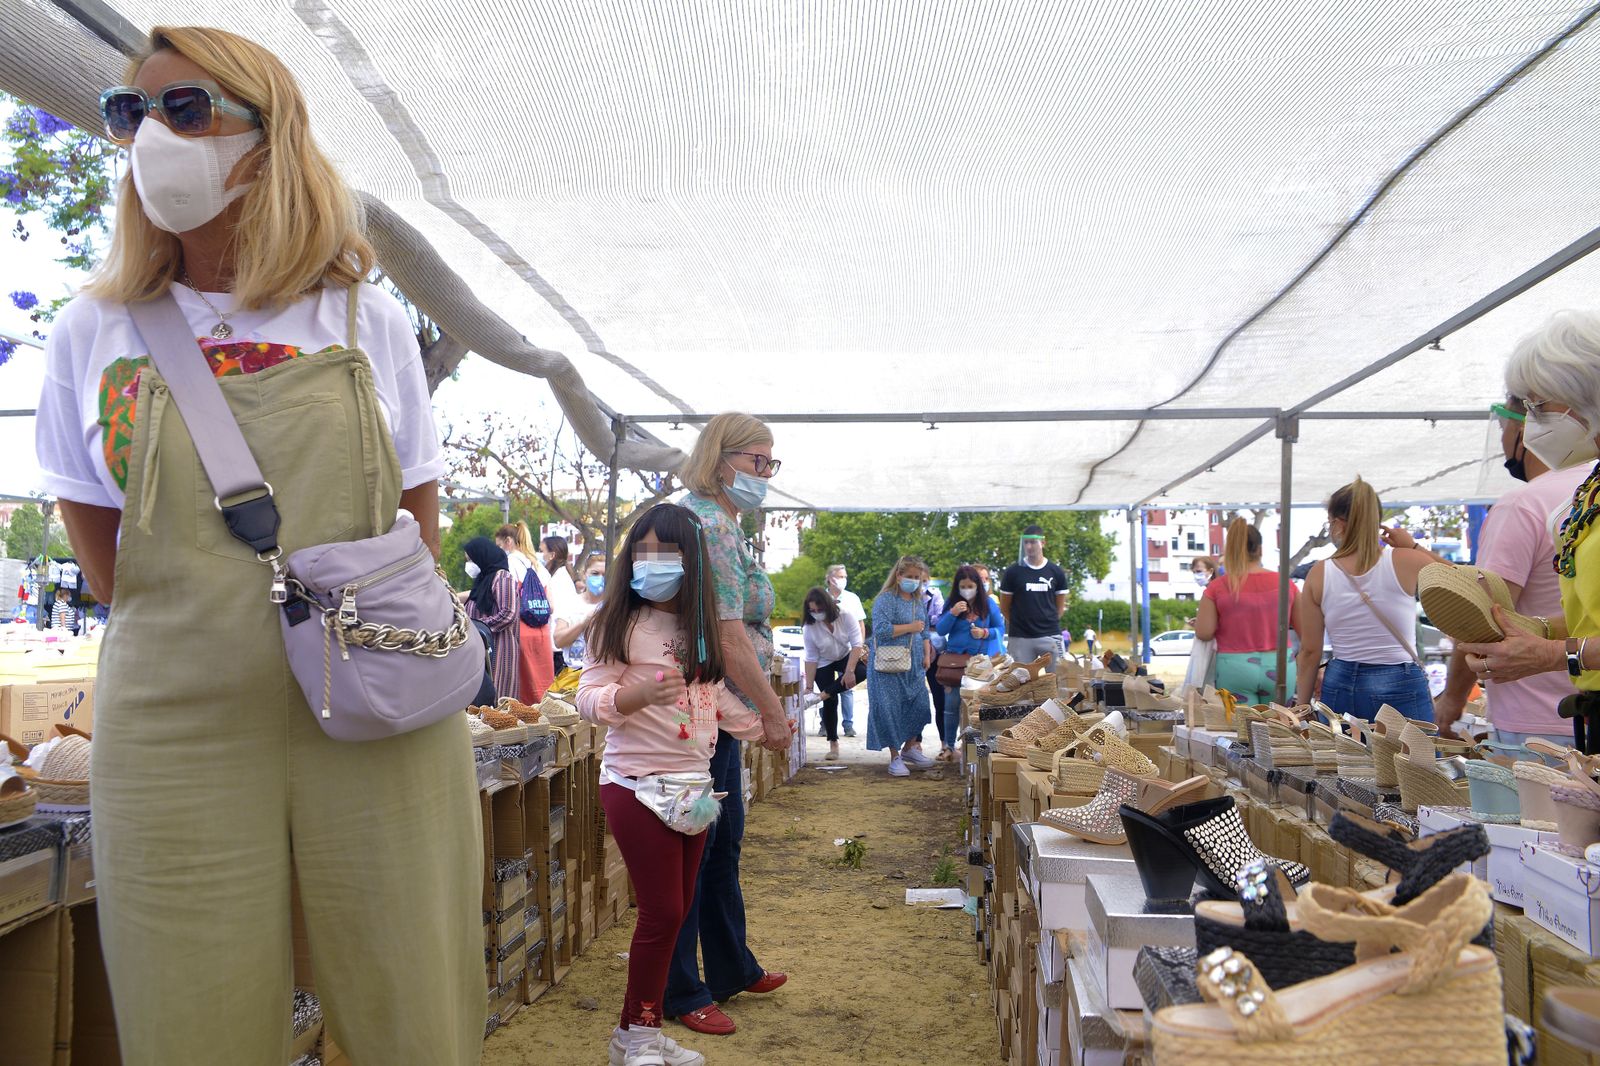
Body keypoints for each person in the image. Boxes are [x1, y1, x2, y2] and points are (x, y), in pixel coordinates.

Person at [37, 27, 482, 1062]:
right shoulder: (89, 329)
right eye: (128, 113)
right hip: (173, 722)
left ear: (266, 134)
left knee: (415, 999)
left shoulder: (363, 320)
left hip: (376, 701)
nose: (150, 135)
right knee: (184, 1010)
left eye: (183, 109)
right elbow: (107, 569)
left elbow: (412, 532)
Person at [577, 502, 770, 1066]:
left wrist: (762, 725)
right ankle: (636, 1037)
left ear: (693, 562)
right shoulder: (616, 623)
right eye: (644, 551)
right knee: (662, 913)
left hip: (696, 789)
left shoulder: (698, 628)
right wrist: (632, 697)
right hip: (636, 786)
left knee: (679, 909)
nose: (653, 562)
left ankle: (638, 1029)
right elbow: (588, 697)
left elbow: (711, 697)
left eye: (668, 552)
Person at [665, 413, 790, 1037]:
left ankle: (729, 965)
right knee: (700, 841)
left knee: (722, 838)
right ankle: (682, 988)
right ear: (720, 461)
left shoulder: (723, 522)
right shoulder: (709, 523)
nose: (765, 475)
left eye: (772, 464)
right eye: (756, 462)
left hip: (716, 710)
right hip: (702, 710)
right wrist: (770, 710)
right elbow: (730, 634)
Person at [1453, 314, 1600, 745]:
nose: (1529, 421)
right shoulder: (1588, 487)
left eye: (1539, 405)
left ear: (1584, 398)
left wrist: (1554, 653)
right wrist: (1539, 630)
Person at [1433, 400, 1584, 749]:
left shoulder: (1523, 504)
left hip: (1536, 721)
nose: (1502, 440)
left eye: (1503, 429)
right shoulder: (1588, 492)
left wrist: (1452, 700)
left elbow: (1479, 618)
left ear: (1525, 428)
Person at [1293, 478, 1438, 720]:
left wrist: (1303, 706)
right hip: (1400, 679)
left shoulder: (1318, 574)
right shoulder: (1409, 561)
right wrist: (1415, 547)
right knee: (1414, 757)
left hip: (1341, 679)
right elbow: (1466, 583)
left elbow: (1309, 651)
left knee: (1344, 758)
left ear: (1338, 524)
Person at [1194, 518, 1299, 705]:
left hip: (1234, 668)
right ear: (1259, 549)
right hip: (1280, 666)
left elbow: (1204, 632)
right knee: (1278, 729)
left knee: (1240, 730)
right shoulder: (1285, 584)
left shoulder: (1217, 587)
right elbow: (1305, 629)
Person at [867, 555, 937, 776]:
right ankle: (894, 756)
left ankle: (910, 747)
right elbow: (881, 630)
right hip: (887, 665)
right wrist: (910, 627)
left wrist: (926, 655)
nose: (914, 581)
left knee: (919, 706)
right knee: (890, 709)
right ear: (898, 576)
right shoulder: (886, 599)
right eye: (910, 577)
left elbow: (924, 631)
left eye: (918, 577)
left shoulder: (918, 602)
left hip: (914, 665)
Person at [935, 565, 1005, 760]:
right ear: (957, 586)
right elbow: (940, 629)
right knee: (951, 706)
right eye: (963, 586)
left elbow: (1000, 628)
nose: (967, 589)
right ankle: (949, 746)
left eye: (970, 585)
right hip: (954, 664)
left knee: (978, 707)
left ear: (978, 586)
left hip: (979, 665)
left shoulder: (988, 604)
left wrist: (984, 632)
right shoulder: (952, 603)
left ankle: (977, 751)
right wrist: (953, 613)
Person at [802, 587, 864, 762]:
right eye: (812, 611)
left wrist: (850, 670)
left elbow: (857, 643)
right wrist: (808, 686)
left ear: (828, 606)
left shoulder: (845, 615)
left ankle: (822, 695)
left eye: (819, 610)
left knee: (862, 671)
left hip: (845, 654)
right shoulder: (809, 627)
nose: (816, 614)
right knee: (831, 702)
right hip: (823, 661)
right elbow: (811, 657)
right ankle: (833, 743)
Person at [498, 521, 556, 702]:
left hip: (520, 632)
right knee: (543, 691)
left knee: (524, 697)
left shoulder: (509, 563)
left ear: (508, 541)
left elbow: (507, 601)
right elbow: (551, 606)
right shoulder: (538, 566)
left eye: (499, 545)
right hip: (543, 634)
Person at [998, 525, 1069, 667]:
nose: (1029, 546)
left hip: (1050, 635)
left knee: (1058, 680)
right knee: (1019, 682)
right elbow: (1005, 607)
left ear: (1043, 543)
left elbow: (1059, 608)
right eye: (1026, 542)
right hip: (1020, 637)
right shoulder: (1013, 572)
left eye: (1033, 542)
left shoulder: (1056, 572)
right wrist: (1020, 624)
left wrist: (1046, 623)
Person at [465, 536, 521, 702]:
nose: (468, 564)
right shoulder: (483, 580)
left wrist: (480, 628)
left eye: (471, 559)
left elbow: (508, 613)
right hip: (482, 649)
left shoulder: (502, 577)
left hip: (499, 649)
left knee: (499, 700)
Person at [825, 564, 866, 738]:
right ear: (829, 578)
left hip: (848, 649)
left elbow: (860, 623)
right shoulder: (822, 597)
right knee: (826, 689)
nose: (843, 580)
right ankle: (826, 725)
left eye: (845, 576)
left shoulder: (852, 598)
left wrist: (861, 645)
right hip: (826, 651)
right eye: (840, 576)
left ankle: (848, 724)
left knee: (847, 685)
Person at [555, 552, 607, 670]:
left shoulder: (614, 605)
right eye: (595, 573)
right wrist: (584, 623)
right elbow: (558, 640)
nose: (600, 578)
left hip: (602, 674)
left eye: (605, 575)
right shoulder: (570, 603)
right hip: (573, 675)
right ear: (584, 574)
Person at [920, 575, 948, 758]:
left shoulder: (935, 594)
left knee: (940, 700)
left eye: (921, 578)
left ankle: (945, 743)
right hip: (911, 652)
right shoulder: (898, 598)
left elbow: (939, 623)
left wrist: (927, 639)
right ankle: (913, 744)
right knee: (913, 700)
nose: (918, 582)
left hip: (935, 652)